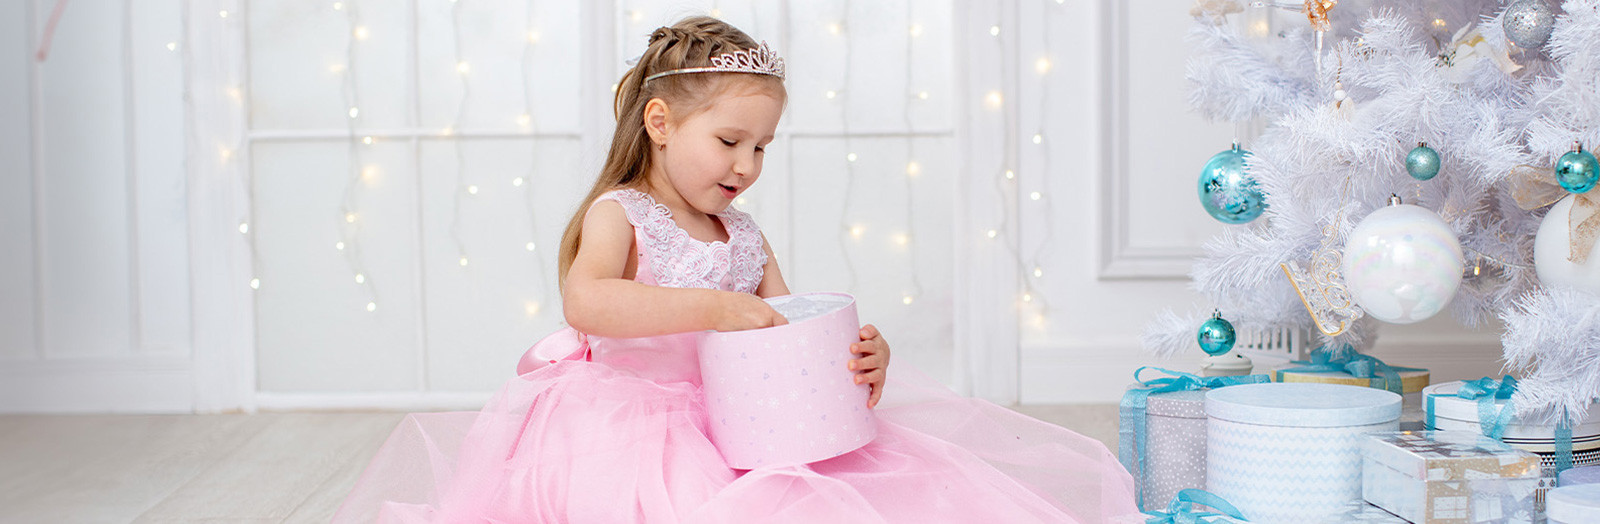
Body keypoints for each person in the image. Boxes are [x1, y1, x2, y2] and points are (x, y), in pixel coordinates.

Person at [335, 15, 1137, 523]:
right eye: (729, 142)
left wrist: (856, 356)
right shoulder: (621, 213)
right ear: (659, 122)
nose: (748, 165)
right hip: (626, 421)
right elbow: (589, 302)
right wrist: (712, 310)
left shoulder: (744, 235)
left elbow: (787, 329)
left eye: (762, 147)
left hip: (740, 416)